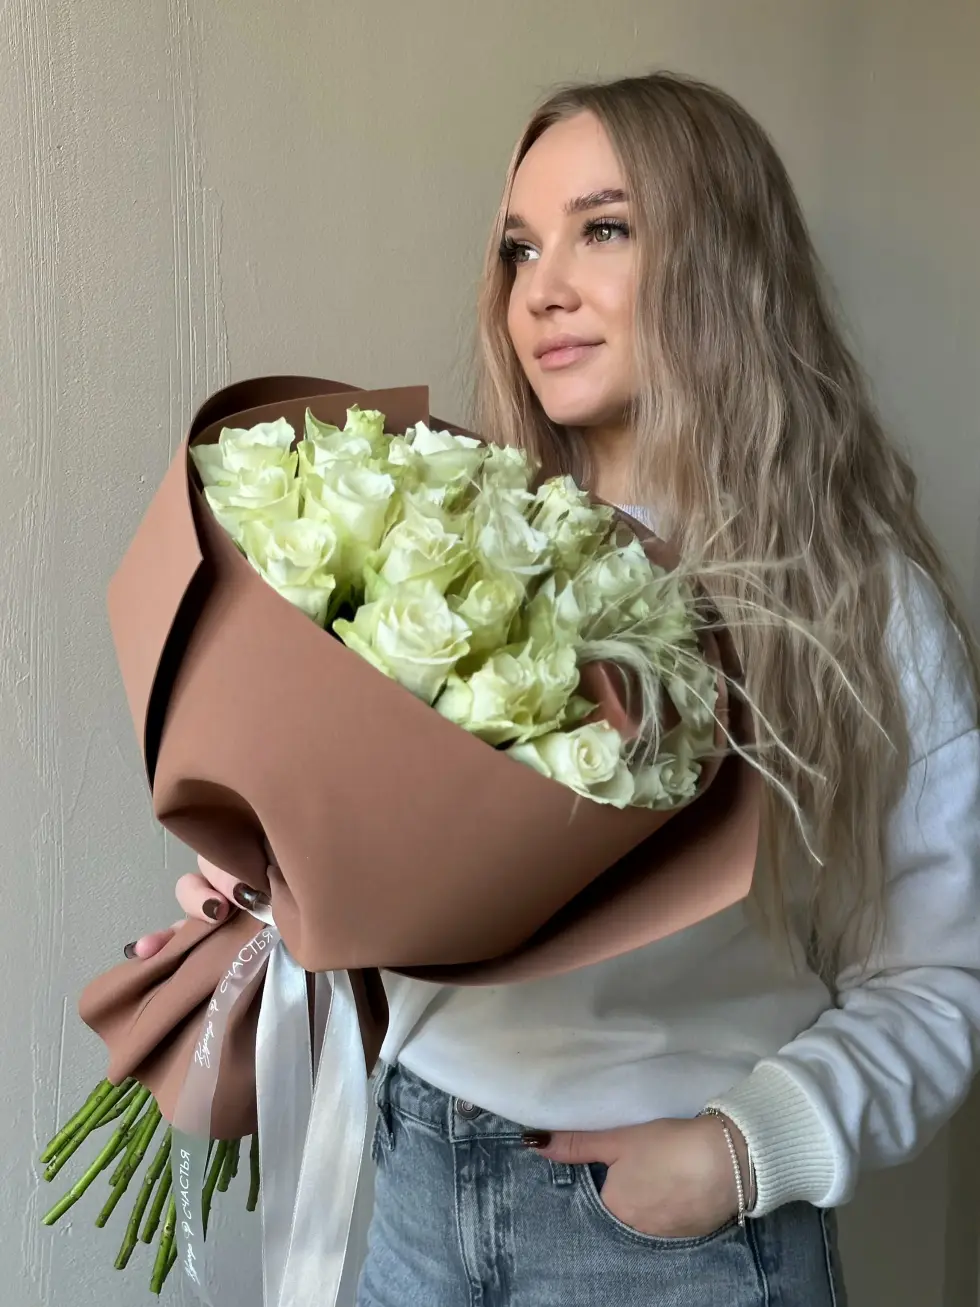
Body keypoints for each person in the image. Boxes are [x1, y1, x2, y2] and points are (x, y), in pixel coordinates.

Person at [129, 72, 980, 1306]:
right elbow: (421, 901)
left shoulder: (857, 602)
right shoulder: (439, 546)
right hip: (418, 1189)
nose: (541, 289)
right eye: (519, 248)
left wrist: (741, 1151)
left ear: (722, 260)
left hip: (676, 1247)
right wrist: (279, 895)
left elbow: (935, 978)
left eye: (605, 229)